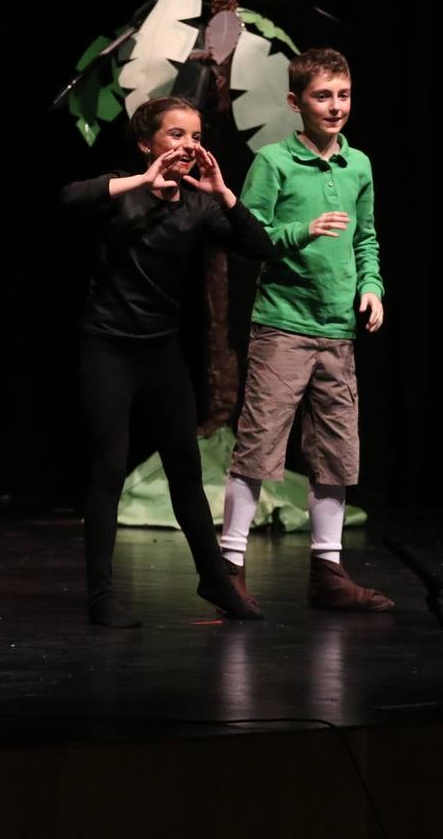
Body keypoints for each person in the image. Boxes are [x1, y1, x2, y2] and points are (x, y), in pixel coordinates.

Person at [61, 97, 271, 628]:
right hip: (107, 346)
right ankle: (101, 597)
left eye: (195, 136)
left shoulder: (199, 205)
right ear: (145, 144)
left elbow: (258, 245)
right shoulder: (119, 192)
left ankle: (213, 579)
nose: (187, 145)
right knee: (109, 467)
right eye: (175, 135)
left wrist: (222, 192)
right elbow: (68, 198)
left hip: (161, 350)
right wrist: (141, 181)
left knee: (186, 470)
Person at [219, 48, 394, 613]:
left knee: (336, 453)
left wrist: (372, 287)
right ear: (296, 103)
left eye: (343, 94)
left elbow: (366, 238)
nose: (336, 106)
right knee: (258, 447)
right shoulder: (274, 163)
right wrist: (304, 231)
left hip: (337, 328)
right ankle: (229, 566)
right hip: (283, 325)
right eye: (323, 95)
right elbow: (248, 235)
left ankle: (328, 571)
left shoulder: (359, 165)